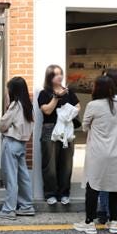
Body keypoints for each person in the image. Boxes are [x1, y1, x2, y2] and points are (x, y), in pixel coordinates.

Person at [73, 77, 117, 234]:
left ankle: (90, 223)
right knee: (115, 187)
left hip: (98, 153)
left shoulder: (93, 105)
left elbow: (84, 126)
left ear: (97, 89)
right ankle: (113, 222)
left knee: (93, 187)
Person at [38, 64, 80, 206]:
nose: (59, 76)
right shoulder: (44, 93)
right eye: (56, 74)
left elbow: (78, 106)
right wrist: (56, 97)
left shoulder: (69, 92)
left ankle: (64, 193)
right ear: (50, 77)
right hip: (50, 129)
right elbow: (47, 111)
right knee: (49, 163)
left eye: (60, 73)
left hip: (67, 129)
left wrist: (68, 113)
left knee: (66, 163)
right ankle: (50, 194)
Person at [0, 77, 35, 221]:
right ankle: (26, 206)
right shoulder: (27, 105)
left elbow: (3, 124)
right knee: (23, 176)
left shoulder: (15, 105)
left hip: (11, 142)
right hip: (22, 144)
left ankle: (8, 209)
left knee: (10, 177)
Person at [97, 68, 117, 224]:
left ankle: (108, 212)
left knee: (109, 180)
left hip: (111, 144)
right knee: (113, 179)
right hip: (115, 144)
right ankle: (110, 212)